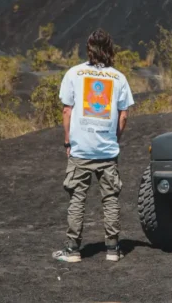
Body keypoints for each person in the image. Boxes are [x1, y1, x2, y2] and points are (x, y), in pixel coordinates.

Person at [52, 28, 134, 263]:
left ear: (88, 49)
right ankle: (112, 249)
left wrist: (67, 140)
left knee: (77, 199)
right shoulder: (119, 78)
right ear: (109, 49)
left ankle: (72, 250)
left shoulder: (74, 73)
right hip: (107, 150)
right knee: (110, 199)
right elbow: (124, 115)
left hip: (81, 150)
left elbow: (67, 110)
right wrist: (115, 138)